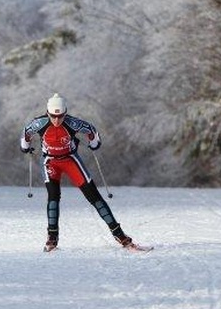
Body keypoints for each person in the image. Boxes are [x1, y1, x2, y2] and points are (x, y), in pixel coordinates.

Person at [21, 93, 141, 252]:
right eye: (53, 116)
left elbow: (91, 130)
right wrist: (25, 147)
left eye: (60, 116)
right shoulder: (39, 123)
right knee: (53, 196)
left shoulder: (72, 123)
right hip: (50, 161)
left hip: (70, 160)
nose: (57, 120)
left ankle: (120, 236)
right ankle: (52, 238)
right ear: (47, 113)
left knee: (94, 196)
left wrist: (94, 143)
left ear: (65, 113)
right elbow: (25, 133)